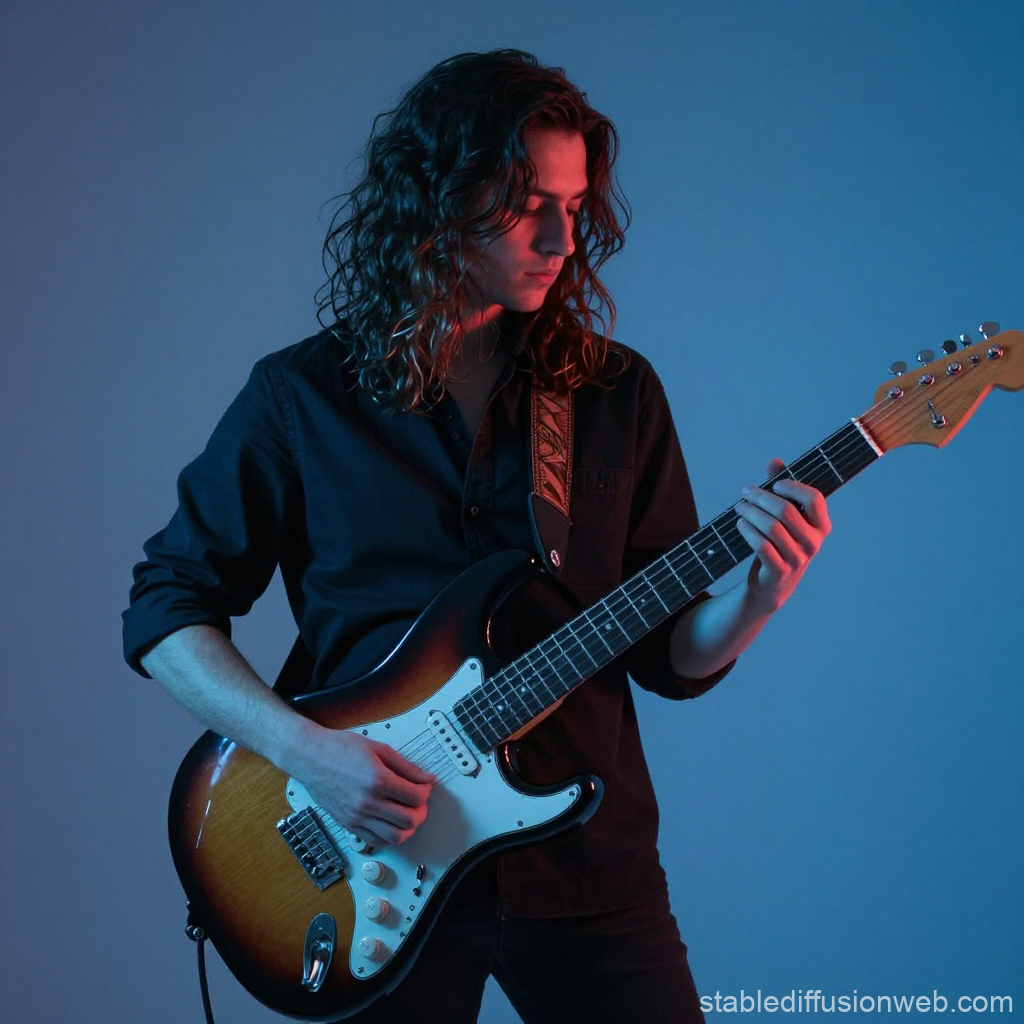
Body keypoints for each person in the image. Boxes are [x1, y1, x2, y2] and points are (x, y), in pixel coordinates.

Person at [123, 49, 830, 1024]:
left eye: (575, 207)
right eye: (526, 201)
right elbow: (164, 609)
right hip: (366, 863)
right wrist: (306, 752)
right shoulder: (301, 399)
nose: (560, 238)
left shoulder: (615, 394)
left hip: (586, 869)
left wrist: (756, 596)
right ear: (435, 196)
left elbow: (666, 657)